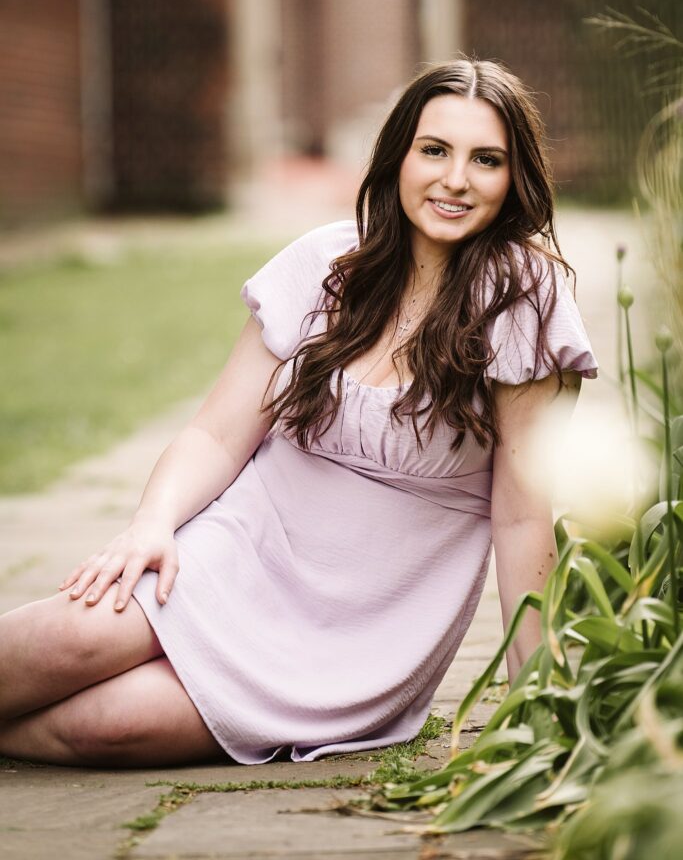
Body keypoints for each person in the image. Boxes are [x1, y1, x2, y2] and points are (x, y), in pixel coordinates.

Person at [0, 57, 597, 768]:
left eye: (485, 159)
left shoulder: (524, 301)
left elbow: (522, 516)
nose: (454, 180)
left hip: (369, 627)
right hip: (245, 549)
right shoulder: (325, 262)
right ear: (397, 156)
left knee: (107, 727)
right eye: (433, 150)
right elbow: (218, 435)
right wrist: (152, 523)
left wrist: (536, 700)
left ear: (514, 177)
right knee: (66, 644)